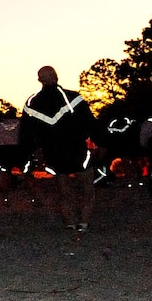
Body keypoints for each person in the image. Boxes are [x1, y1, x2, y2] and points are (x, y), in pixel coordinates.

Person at [19, 66, 99, 232]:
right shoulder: (73, 98)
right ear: (56, 76)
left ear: (40, 80)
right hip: (76, 147)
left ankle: (70, 222)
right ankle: (83, 222)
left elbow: (26, 132)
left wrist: (27, 155)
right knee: (87, 187)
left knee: (63, 188)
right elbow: (90, 122)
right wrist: (100, 141)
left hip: (53, 151)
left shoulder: (31, 103)